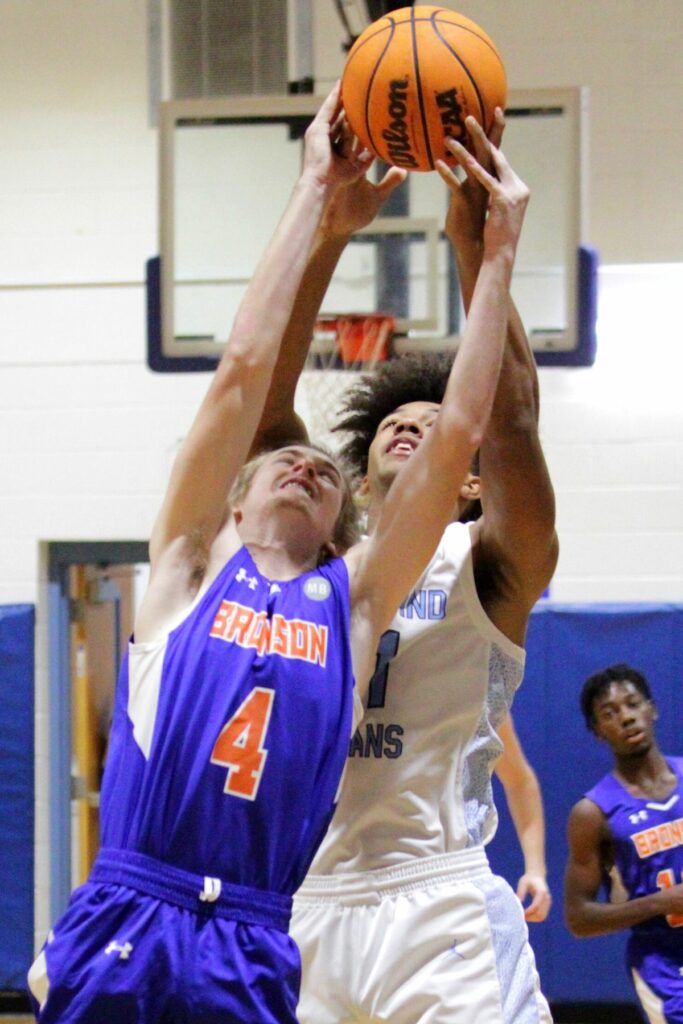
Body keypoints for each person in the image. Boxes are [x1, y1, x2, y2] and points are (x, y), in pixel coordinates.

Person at [27, 89, 530, 1024]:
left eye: (325, 473)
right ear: (231, 498)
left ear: (345, 523)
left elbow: (460, 430)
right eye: (283, 461)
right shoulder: (184, 571)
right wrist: (314, 194)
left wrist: (495, 252)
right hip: (135, 899)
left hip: (259, 930)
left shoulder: (353, 603)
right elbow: (243, 371)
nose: (305, 464)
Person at [254, 112, 557, 1021]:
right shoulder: (318, 560)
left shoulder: (490, 560)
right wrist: (325, 233)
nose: (412, 425)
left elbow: (510, 423)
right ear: (358, 472)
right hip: (303, 899)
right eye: (396, 421)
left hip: (438, 898)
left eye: (436, 425)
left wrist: (476, 247)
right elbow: (264, 414)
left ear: (469, 481)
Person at [565, 663, 683, 1023]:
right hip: (664, 963)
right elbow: (579, 918)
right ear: (597, 731)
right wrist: (662, 902)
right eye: (609, 713)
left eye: (632, 704)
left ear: (652, 709)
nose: (626, 717)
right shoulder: (593, 813)